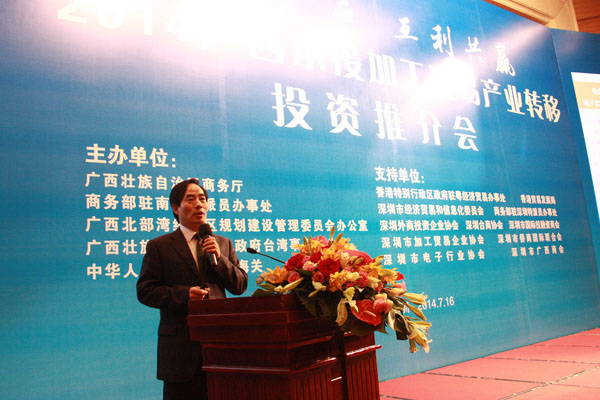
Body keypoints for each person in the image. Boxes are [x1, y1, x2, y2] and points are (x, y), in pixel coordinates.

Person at [137, 178, 248, 400]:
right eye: (191, 199)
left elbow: (240, 285)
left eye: (203, 199)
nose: (199, 204)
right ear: (175, 208)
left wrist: (220, 258)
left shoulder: (223, 244)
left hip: (220, 345)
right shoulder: (160, 246)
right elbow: (146, 291)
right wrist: (185, 294)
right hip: (180, 349)